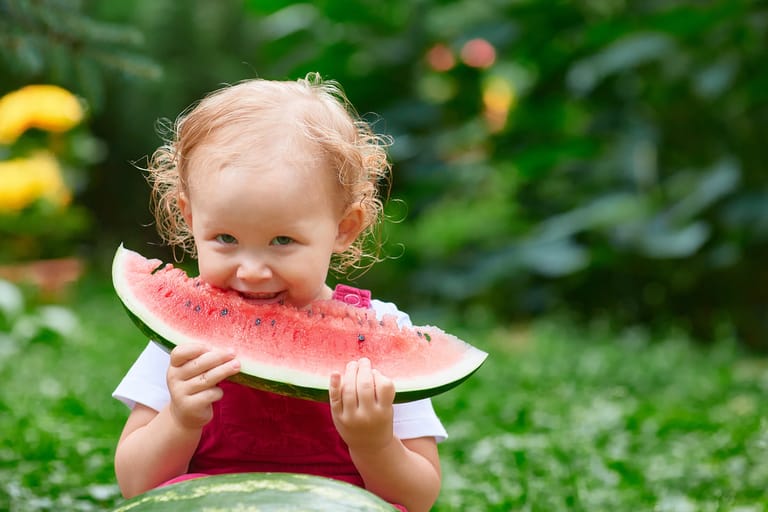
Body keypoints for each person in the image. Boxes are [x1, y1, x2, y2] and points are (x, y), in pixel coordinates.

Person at [112, 73, 446, 512]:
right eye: (226, 239)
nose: (251, 272)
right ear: (190, 218)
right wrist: (179, 418)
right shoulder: (177, 347)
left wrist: (374, 442)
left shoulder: (383, 334)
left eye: (282, 241)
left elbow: (418, 498)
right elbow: (137, 486)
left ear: (344, 228)